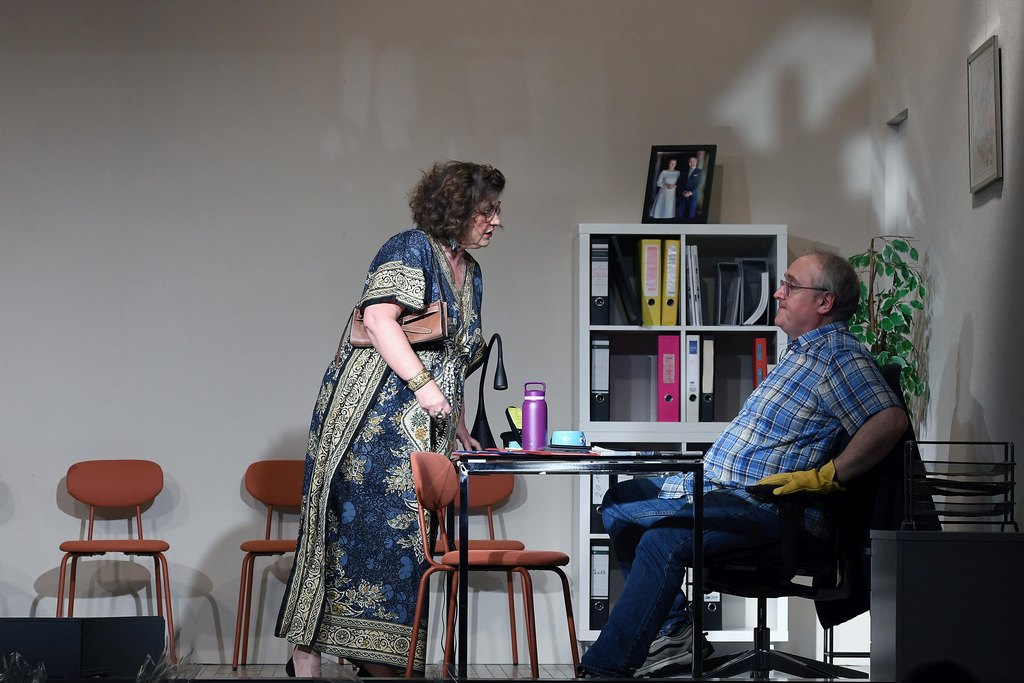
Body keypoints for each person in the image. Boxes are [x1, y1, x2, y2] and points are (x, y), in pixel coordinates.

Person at [577, 250, 909, 678]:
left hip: (765, 507)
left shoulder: (838, 357)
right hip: (721, 493)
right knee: (619, 501)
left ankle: (604, 670)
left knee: (663, 540)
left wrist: (828, 476)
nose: (778, 293)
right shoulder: (800, 354)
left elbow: (890, 420)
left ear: (825, 302)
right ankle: (677, 630)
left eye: (790, 286)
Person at [276, 161, 505, 677]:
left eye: (495, 211)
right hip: (370, 420)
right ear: (457, 209)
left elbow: (455, 357)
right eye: (486, 210)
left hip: (425, 427)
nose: (495, 221)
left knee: (409, 544)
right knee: (356, 535)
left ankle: (380, 657)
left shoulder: (473, 273)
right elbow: (379, 320)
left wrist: (459, 425)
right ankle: (310, 655)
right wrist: (425, 387)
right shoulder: (410, 247)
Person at [679, 156, 704, 220]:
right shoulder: (684, 171)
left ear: (696, 162)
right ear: (688, 162)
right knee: (681, 212)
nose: (692, 162)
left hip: (693, 194)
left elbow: (700, 184)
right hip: (683, 193)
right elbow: (680, 182)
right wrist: (683, 191)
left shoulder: (700, 171)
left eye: (693, 161)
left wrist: (690, 192)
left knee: (691, 213)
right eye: (690, 161)